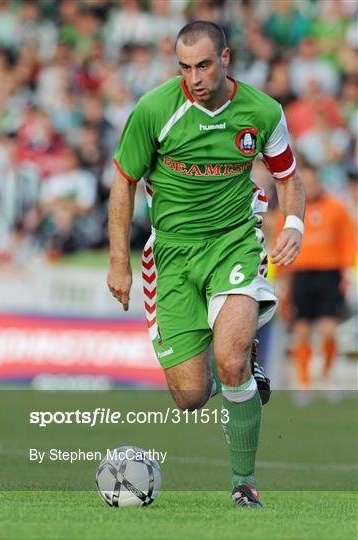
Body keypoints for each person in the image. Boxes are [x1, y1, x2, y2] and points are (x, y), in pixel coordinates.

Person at [107, 21, 305, 508]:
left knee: (232, 358)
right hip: (171, 255)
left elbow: (288, 176)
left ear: (226, 58)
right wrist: (119, 262)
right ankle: (233, 377)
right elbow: (123, 181)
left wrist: (294, 224)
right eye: (184, 67)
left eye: (203, 65)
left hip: (234, 242)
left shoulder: (261, 111)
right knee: (191, 395)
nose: (194, 77)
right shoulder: (156, 109)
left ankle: (244, 483)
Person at [275, 164, 356, 391]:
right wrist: (282, 279)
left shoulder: (336, 208)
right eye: (305, 183)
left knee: (329, 329)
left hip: (329, 274)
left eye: (313, 182)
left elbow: (347, 241)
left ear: (319, 182)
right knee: (302, 331)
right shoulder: (290, 212)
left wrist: (346, 271)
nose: (310, 187)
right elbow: (280, 244)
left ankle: (327, 375)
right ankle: (303, 382)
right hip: (300, 274)